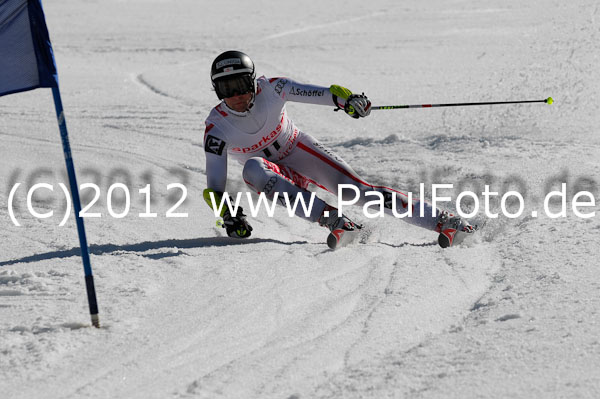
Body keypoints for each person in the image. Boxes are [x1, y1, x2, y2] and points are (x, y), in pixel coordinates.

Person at [203, 50, 474, 248]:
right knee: (253, 168)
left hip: (299, 150)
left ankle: (445, 221)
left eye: (240, 86)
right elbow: (214, 186)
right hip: (274, 174)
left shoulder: (273, 88)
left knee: (359, 192)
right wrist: (227, 214)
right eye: (227, 89)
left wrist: (348, 100)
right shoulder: (217, 128)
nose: (236, 96)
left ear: (252, 82)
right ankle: (334, 220)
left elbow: (319, 92)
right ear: (217, 91)